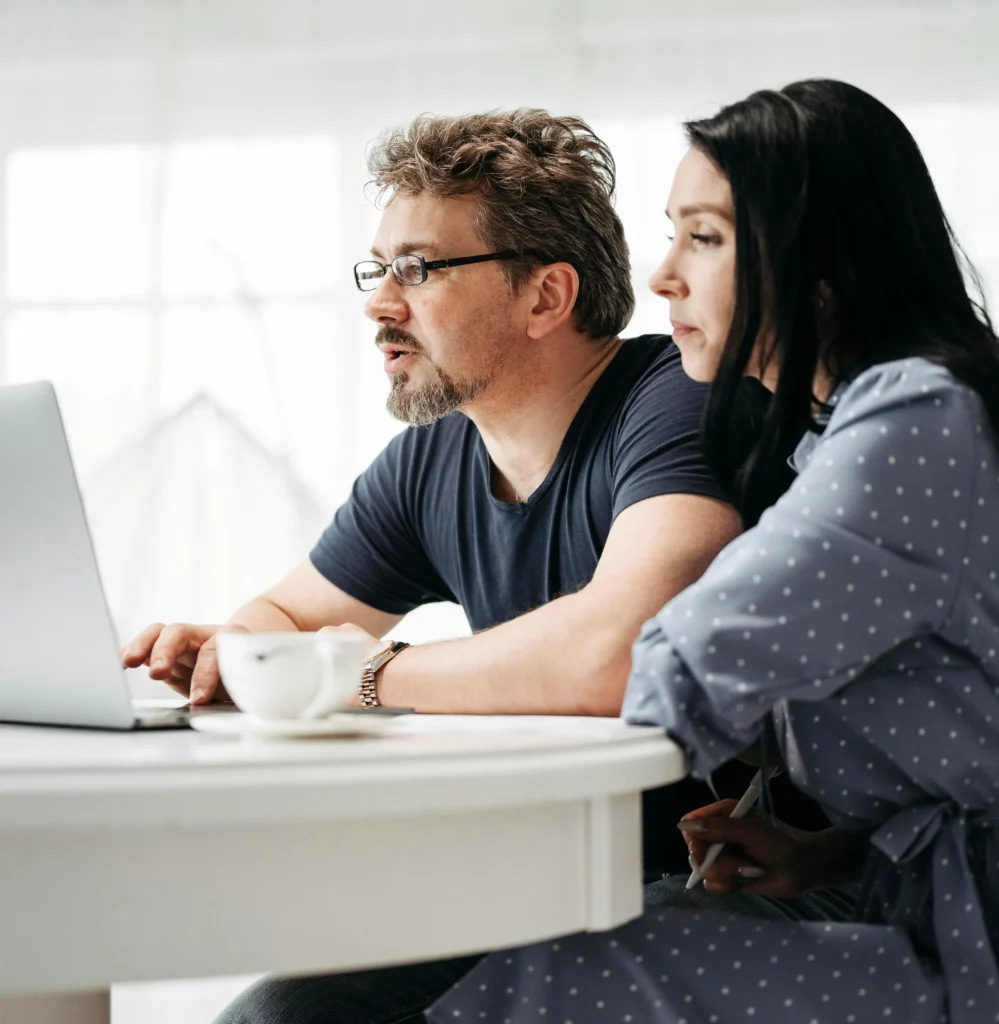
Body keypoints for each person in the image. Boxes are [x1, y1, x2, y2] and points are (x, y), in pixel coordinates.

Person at [122, 110, 785, 1024]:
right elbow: (284, 617)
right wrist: (235, 651)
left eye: (419, 269)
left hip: (742, 879)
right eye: (378, 268)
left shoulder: (678, 401)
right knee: (276, 1015)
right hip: (552, 882)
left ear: (545, 298)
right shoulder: (432, 458)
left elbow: (620, 653)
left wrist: (359, 674)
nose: (378, 303)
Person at [428, 79, 999, 1024]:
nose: (661, 278)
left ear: (819, 265)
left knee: (572, 972)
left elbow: (667, 662)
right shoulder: (853, 423)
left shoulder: (916, 421)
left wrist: (374, 680)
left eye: (704, 238)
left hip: (971, 950)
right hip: (921, 901)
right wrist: (835, 852)